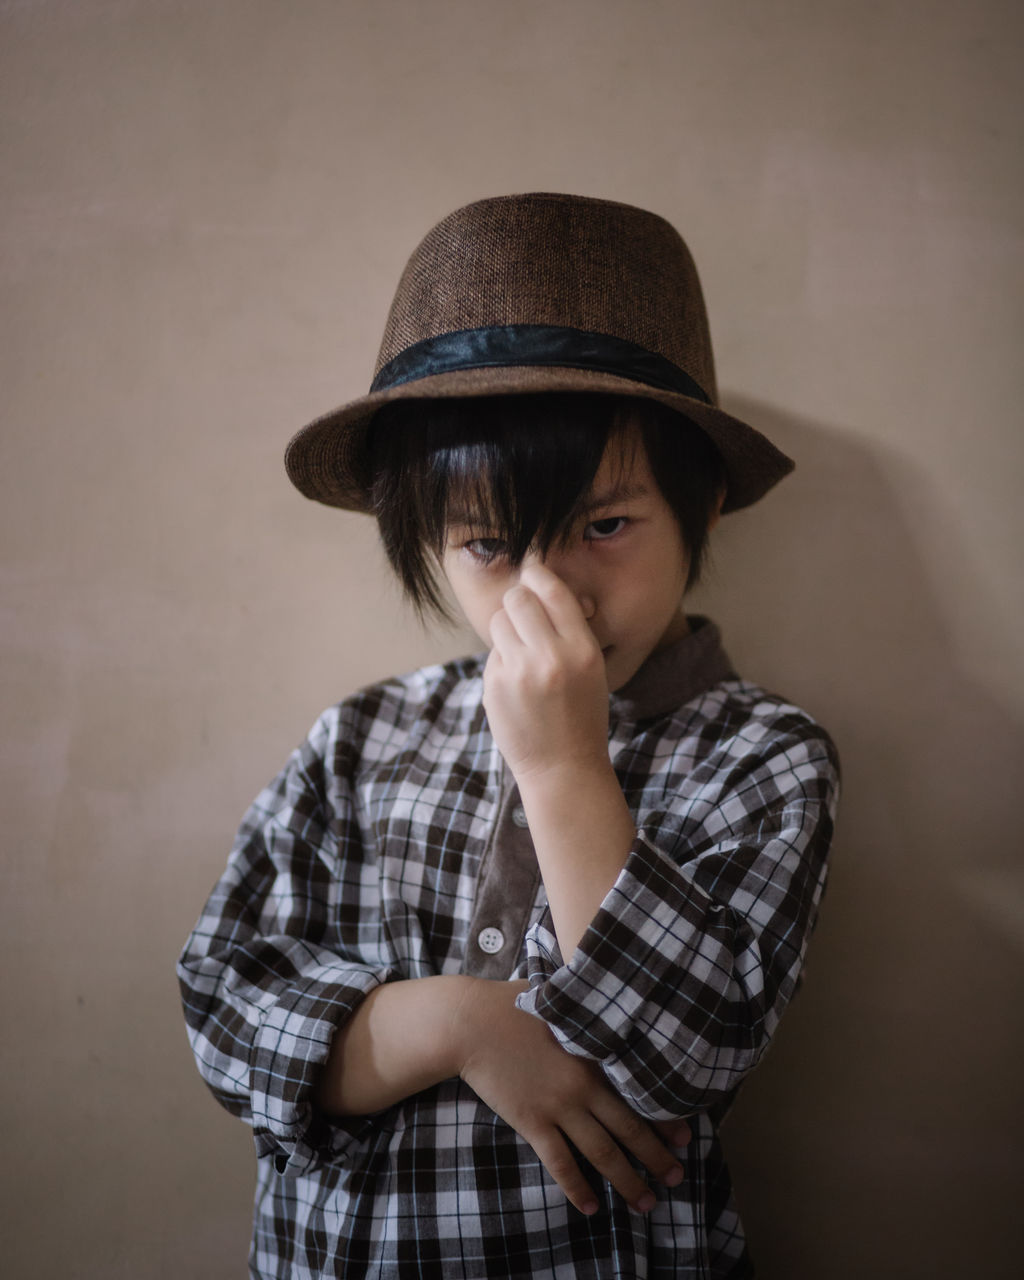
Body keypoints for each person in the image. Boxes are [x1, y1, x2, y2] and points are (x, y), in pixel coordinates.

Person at [178, 192, 840, 1279]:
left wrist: (563, 762)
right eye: (490, 541)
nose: (551, 590)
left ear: (704, 502)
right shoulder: (362, 737)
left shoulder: (759, 754)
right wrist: (458, 1024)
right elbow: (227, 1006)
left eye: (604, 526)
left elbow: (687, 1054)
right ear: (425, 543)